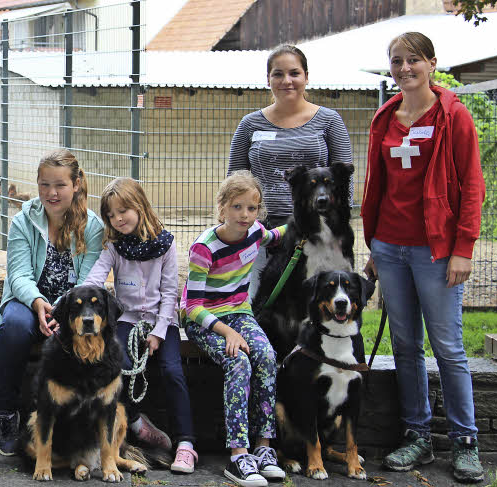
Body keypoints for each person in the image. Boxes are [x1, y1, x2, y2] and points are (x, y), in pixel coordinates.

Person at [362, 32, 485, 483]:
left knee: (449, 348)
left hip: (437, 251)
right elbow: (378, 187)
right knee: (406, 346)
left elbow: (472, 186)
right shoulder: (384, 118)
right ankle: (417, 435)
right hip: (390, 248)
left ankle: (465, 441)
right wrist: (373, 245)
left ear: (432, 63)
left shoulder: (454, 116)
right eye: (396, 61)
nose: (404, 68)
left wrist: (463, 248)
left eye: (413, 60)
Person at [0, 149, 104, 456]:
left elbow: (87, 283)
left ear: (76, 184)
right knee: (14, 326)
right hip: (27, 301)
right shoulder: (23, 220)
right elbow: (17, 274)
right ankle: (6, 414)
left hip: (71, 308)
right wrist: (39, 302)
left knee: (75, 336)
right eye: (44, 185)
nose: (51, 193)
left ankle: (72, 427)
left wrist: (60, 310)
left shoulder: (92, 227)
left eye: (59, 185)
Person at [181, 171, 286, 487]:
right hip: (206, 321)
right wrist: (227, 333)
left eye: (252, 208)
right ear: (222, 208)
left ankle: (264, 448)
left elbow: (278, 235)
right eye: (237, 207)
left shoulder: (255, 232)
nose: (245, 215)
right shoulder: (205, 248)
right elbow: (192, 306)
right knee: (238, 361)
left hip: (239, 314)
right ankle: (239, 455)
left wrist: (304, 223)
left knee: (266, 355)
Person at [82, 177, 194, 472]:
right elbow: (94, 279)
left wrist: (158, 332)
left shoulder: (166, 245)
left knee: (172, 370)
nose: (117, 219)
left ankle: (186, 443)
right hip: (128, 320)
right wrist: (72, 303)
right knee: (118, 364)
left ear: (140, 206)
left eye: (123, 211)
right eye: (111, 214)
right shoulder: (114, 247)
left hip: (162, 321)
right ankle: (133, 422)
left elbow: (171, 292)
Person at [226, 44, 352, 300]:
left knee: (314, 306)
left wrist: (337, 235)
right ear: (268, 79)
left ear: (306, 76)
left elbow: (343, 185)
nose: (287, 81)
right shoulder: (250, 124)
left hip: (316, 233)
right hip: (259, 231)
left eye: (294, 73)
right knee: (256, 304)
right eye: (278, 74)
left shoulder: (329, 121)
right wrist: (234, 230)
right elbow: (233, 184)